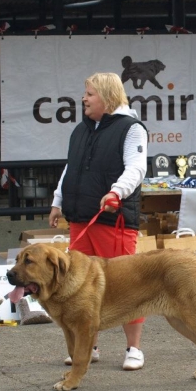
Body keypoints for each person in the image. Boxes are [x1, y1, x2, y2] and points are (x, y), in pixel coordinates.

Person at [49, 72, 148, 369]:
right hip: (81, 217)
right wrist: (57, 201)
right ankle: (88, 347)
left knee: (124, 285)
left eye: (89, 94)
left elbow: (137, 168)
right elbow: (71, 168)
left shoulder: (131, 129)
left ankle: (134, 349)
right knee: (81, 286)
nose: (84, 98)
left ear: (106, 96)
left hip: (112, 218)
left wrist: (116, 192)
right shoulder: (80, 130)